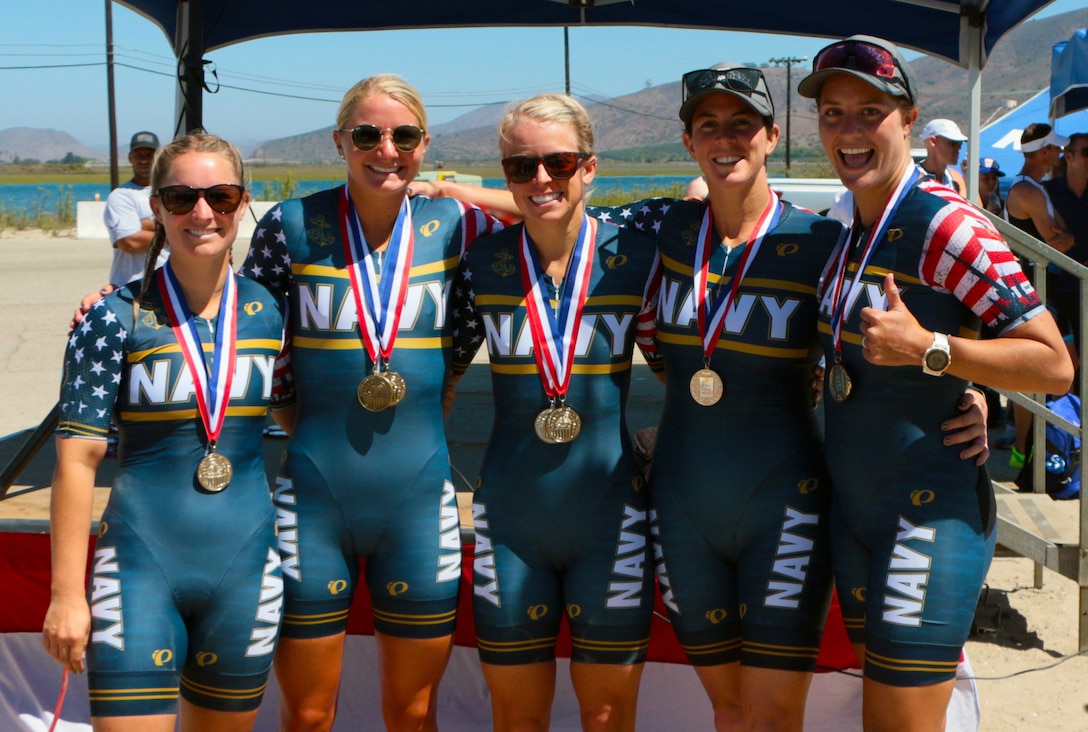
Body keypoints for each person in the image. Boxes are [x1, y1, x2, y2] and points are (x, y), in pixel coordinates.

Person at [420, 63, 991, 731]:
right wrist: (447, 187)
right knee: (727, 711)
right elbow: (562, 213)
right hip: (683, 502)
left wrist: (968, 391)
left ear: (773, 135)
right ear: (689, 141)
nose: (726, 140)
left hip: (786, 503)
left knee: (774, 715)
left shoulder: (823, 243)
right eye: (709, 127)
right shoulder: (663, 228)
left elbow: (906, 328)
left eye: (743, 125)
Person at [798, 34, 1073, 732]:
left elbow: (1053, 364)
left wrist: (935, 352)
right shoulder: (846, 225)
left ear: (909, 118)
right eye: (834, 114)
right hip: (859, 515)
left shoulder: (948, 223)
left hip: (928, 511)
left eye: (870, 112)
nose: (850, 131)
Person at [241, 74, 502, 731]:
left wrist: (454, 187)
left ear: (424, 143)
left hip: (419, 501)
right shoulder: (290, 225)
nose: (387, 149)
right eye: (368, 135)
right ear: (340, 141)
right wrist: (295, 422)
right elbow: (252, 336)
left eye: (404, 136)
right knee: (306, 713)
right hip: (314, 495)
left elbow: (551, 207)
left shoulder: (456, 224)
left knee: (414, 712)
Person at [43, 132, 287, 732]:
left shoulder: (270, 309)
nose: (202, 213)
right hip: (138, 568)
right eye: (181, 198)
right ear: (156, 207)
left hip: (247, 568)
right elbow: (77, 461)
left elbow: (307, 410)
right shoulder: (110, 317)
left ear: (242, 202)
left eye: (221, 196)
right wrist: (65, 595)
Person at [446, 93, 659, 732]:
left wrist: (966, 394)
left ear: (589, 168)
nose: (541, 179)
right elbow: (440, 379)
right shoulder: (480, 264)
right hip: (510, 520)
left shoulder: (636, 257)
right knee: (515, 716)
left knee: (605, 714)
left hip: (611, 519)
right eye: (521, 166)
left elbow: (698, 365)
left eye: (558, 163)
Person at [1001, 122, 1073, 466]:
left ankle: (1044, 447)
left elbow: (1064, 234)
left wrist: (1063, 236)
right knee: (1037, 374)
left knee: (1060, 368)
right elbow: (1056, 239)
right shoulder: (1027, 190)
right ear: (1043, 152)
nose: (1060, 153)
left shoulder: (1035, 188)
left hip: (1044, 287)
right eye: (1056, 149)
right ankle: (1027, 451)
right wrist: (1062, 237)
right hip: (1034, 288)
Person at [104, 131, 170, 287]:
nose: (144, 160)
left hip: (169, 285)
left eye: (149, 154)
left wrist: (145, 225)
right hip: (131, 288)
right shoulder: (121, 196)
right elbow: (130, 243)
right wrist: (172, 232)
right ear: (130, 158)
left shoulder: (170, 193)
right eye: (138, 154)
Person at [1044, 132, 1088, 354]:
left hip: (1085, 289)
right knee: (1063, 357)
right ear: (1068, 156)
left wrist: (1075, 240)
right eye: (1086, 153)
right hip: (1055, 290)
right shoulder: (1047, 193)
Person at [918, 118, 968, 196]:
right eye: (953, 143)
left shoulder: (956, 179)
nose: (958, 148)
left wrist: (968, 178)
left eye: (960, 143)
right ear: (933, 141)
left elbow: (972, 207)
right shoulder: (912, 177)